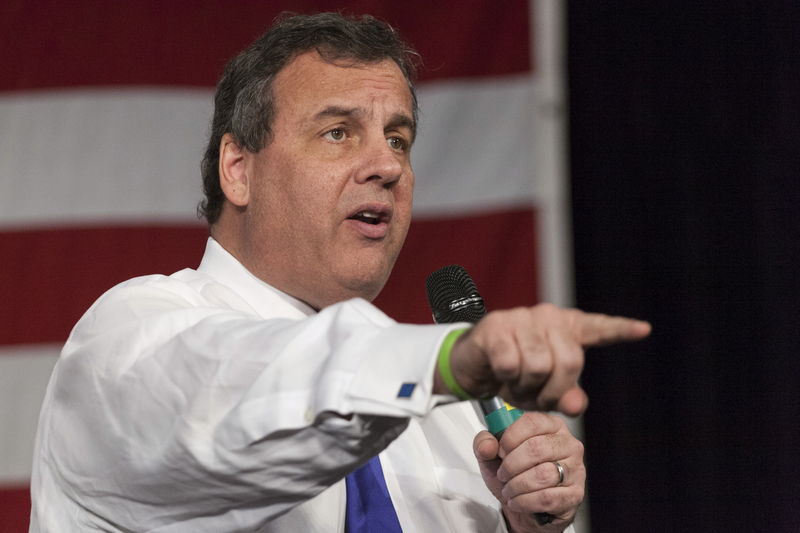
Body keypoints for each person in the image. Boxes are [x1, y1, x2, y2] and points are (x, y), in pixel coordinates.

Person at [29, 12, 650, 533]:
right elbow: (236, 394)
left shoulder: (458, 419)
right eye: (337, 132)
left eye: (399, 139)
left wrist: (524, 524)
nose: (386, 164)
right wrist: (447, 363)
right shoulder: (131, 334)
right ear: (237, 169)